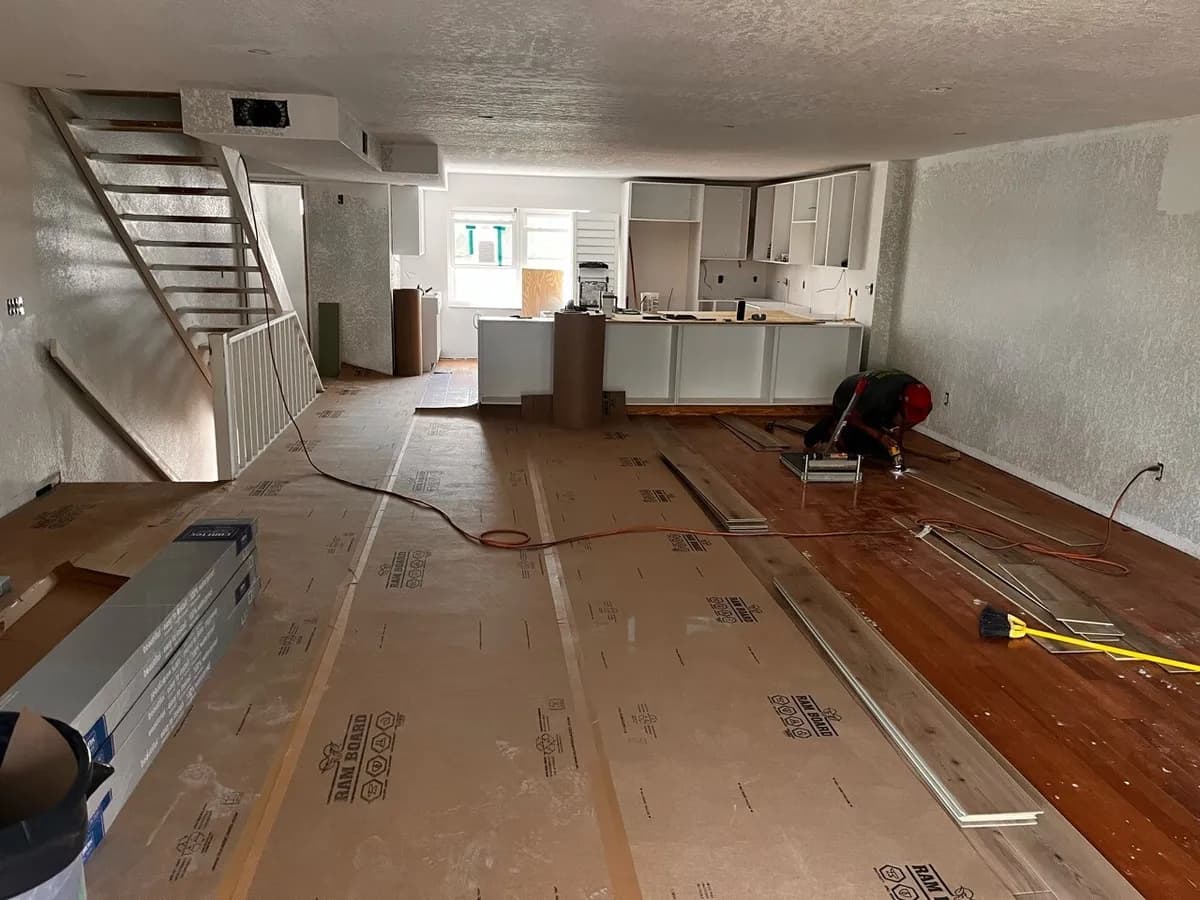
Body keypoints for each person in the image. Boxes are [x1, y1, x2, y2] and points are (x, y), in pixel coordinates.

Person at [804, 369, 933, 465]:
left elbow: (904, 422)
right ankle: (829, 426)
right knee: (855, 449)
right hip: (847, 399)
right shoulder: (876, 397)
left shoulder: (922, 401)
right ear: (901, 399)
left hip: (878, 407)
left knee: (884, 455)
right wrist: (879, 436)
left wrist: (897, 441)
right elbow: (852, 417)